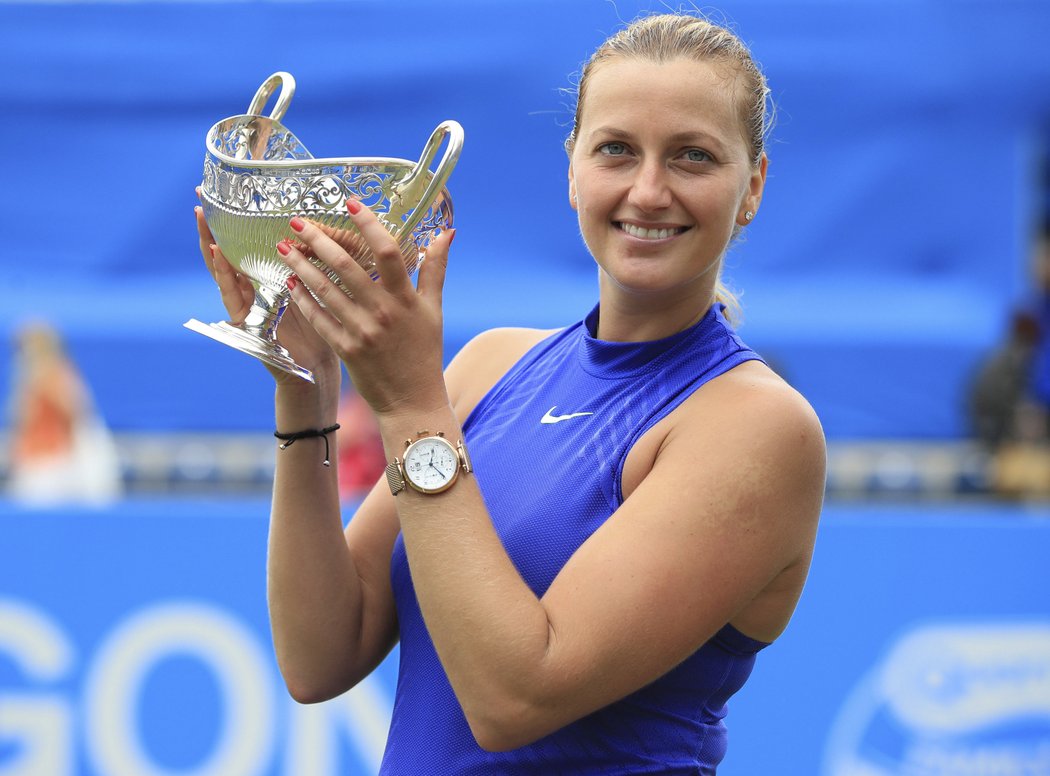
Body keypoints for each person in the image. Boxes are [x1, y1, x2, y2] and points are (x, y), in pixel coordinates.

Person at [195, 11, 825, 773]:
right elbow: (320, 654)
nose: (649, 190)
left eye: (692, 157)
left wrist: (411, 407)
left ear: (751, 185)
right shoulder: (489, 366)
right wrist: (309, 383)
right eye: (616, 150)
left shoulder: (757, 428)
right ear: (572, 169)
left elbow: (514, 699)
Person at [5, 320, 122, 506]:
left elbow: (77, 414)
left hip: (51, 466)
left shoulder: (59, 377)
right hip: (36, 464)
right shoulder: (28, 379)